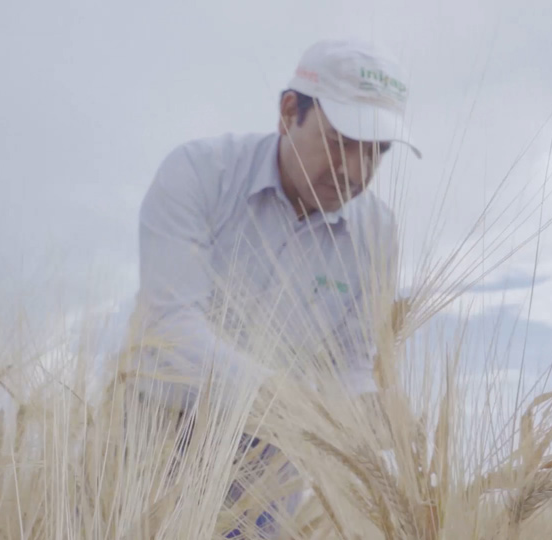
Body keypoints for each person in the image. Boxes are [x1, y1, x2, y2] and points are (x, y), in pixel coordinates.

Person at [128, 37, 421, 538]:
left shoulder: (378, 232)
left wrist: (372, 414)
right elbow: (170, 328)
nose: (355, 172)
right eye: (340, 141)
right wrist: (294, 403)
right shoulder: (199, 174)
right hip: (157, 427)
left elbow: (348, 360)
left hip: (271, 461)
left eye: (377, 151)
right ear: (289, 112)